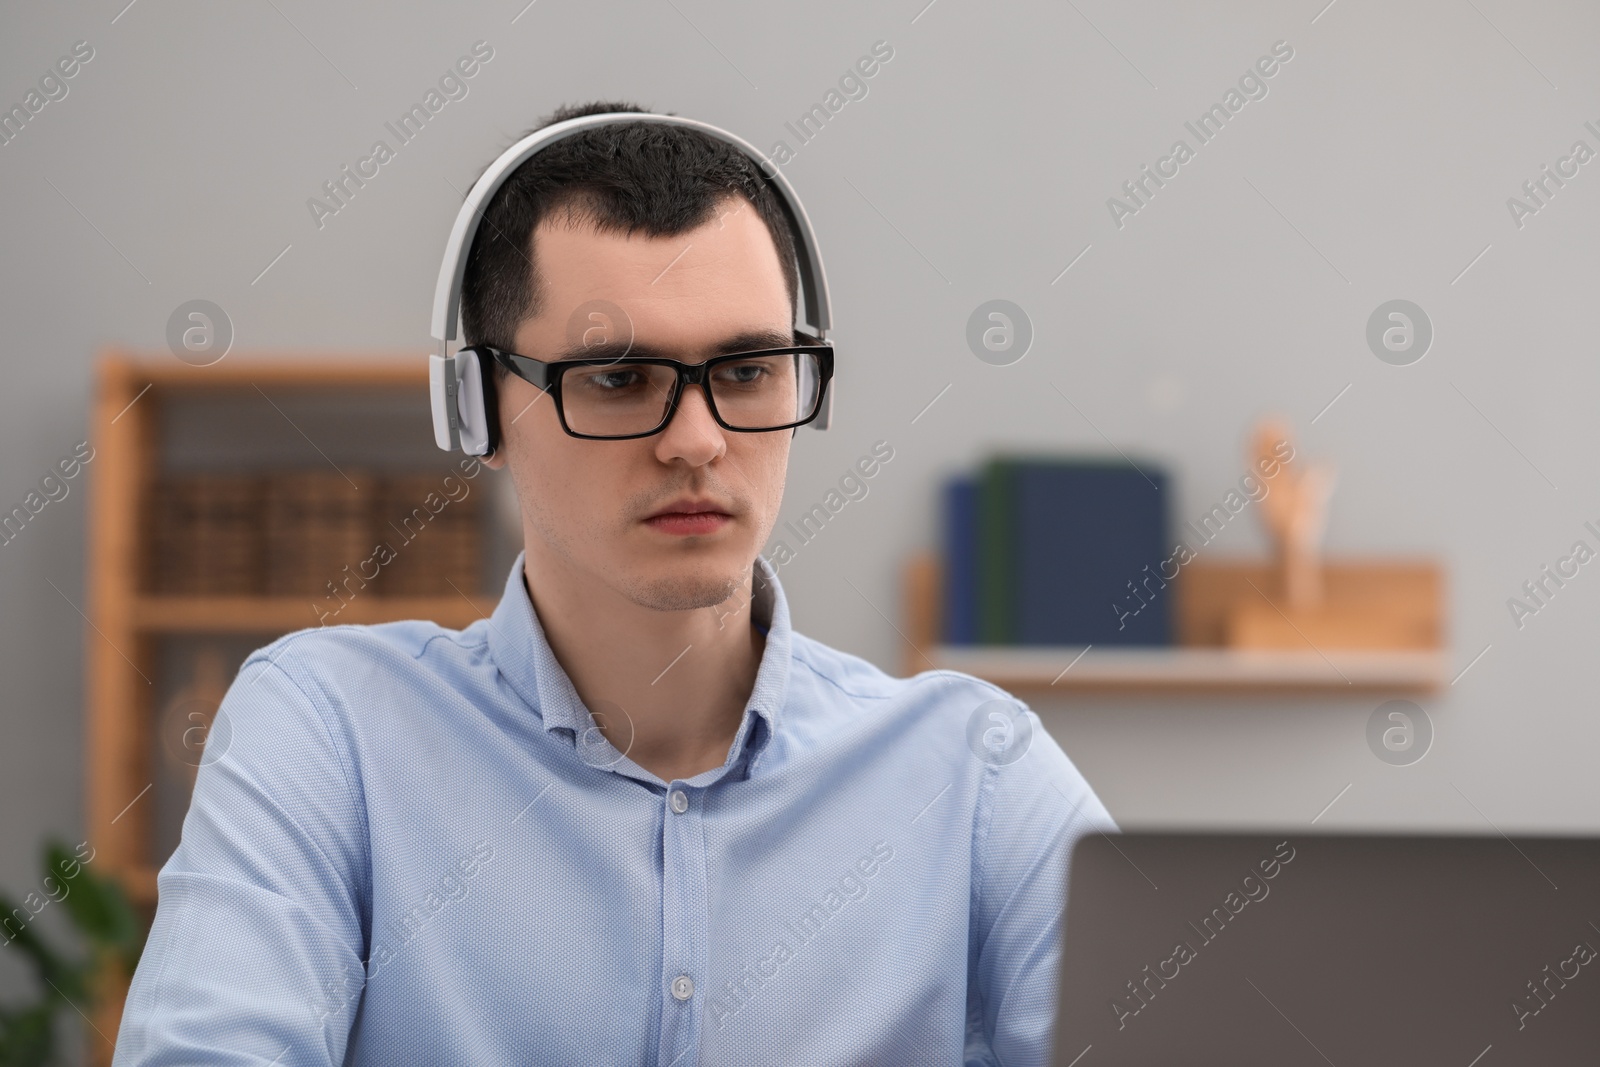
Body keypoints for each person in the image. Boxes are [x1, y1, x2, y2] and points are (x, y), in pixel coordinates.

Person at [111, 100, 1114, 1067]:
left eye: (749, 368)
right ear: (479, 412)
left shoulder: (974, 767)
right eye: (617, 378)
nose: (696, 440)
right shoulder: (332, 730)